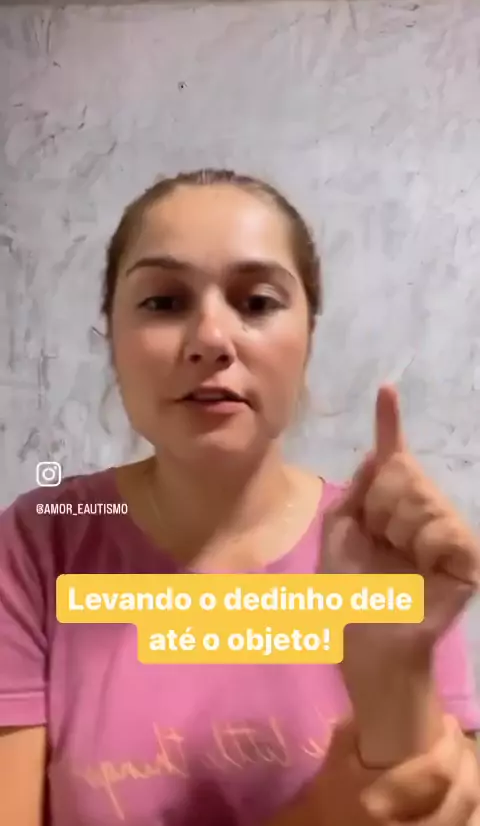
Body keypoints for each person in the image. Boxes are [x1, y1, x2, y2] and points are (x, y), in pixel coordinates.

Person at [0, 168, 479, 826]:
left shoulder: (384, 553)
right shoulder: (42, 540)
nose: (211, 340)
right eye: (164, 302)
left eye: (256, 303)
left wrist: (393, 669)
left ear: (308, 335)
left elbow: (426, 809)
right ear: (111, 336)